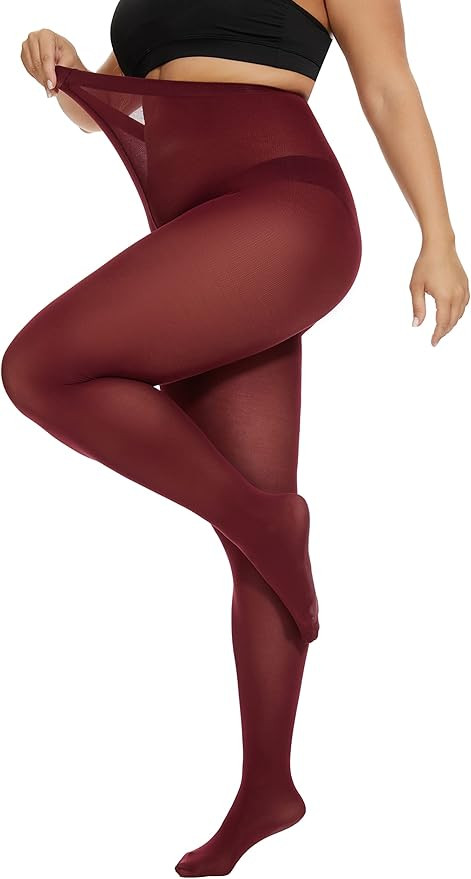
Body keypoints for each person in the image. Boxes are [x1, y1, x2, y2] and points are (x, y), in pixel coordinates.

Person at [2, 1, 469, 876]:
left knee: (39, 368)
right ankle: (267, 788)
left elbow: (386, 88)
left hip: (282, 214)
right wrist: (63, 68)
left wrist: (437, 238)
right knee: (251, 546)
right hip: (199, 237)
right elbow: (111, 100)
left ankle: (266, 518)